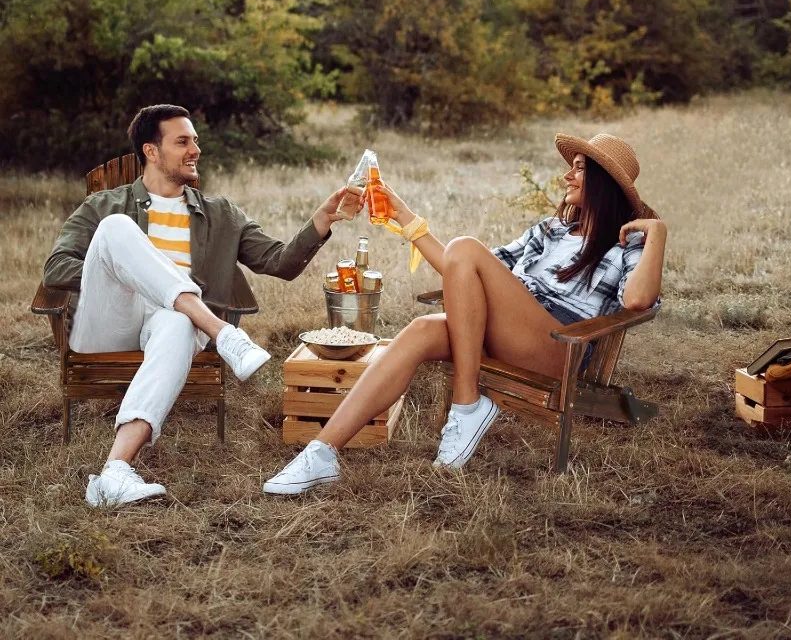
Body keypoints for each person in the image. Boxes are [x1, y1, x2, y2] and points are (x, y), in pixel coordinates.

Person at [264, 133, 667, 494]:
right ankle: (322, 453)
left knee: (465, 247)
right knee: (422, 329)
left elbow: (638, 300)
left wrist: (657, 232)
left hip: (558, 348)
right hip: (507, 332)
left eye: (579, 169)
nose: (568, 175)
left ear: (604, 183)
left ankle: (466, 402)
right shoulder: (549, 231)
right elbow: (460, 268)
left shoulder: (626, 245)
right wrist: (403, 215)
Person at [43, 104, 354, 508]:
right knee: (117, 230)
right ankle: (223, 333)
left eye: (195, 140)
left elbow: (279, 263)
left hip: (176, 326)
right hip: (111, 322)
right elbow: (56, 268)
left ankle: (114, 472)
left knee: (177, 320)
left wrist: (321, 221)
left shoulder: (220, 214)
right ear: (151, 151)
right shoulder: (104, 206)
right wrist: (127, 274)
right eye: (182, 142)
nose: (196, 150)